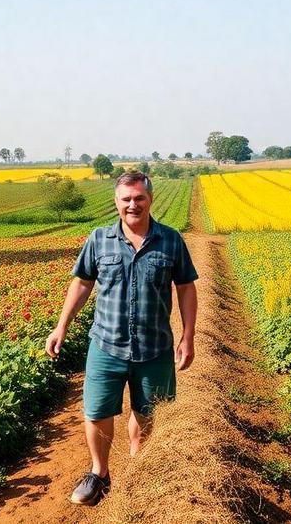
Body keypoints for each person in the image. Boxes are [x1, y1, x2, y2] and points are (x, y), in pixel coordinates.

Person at [44, 170, 198, 506]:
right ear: (116, 202)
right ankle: (99, 473)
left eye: (139, 198)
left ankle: (137, 469)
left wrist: (189, 336)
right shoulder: (98, 239)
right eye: (126, 199)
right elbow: (82, 284)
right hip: (106, 345)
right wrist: (62, 326)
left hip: (154, 348)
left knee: (146, 415)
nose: (133, 205)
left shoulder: (171, 240)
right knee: (97, 411)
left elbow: (186, 288)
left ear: (150, 199)